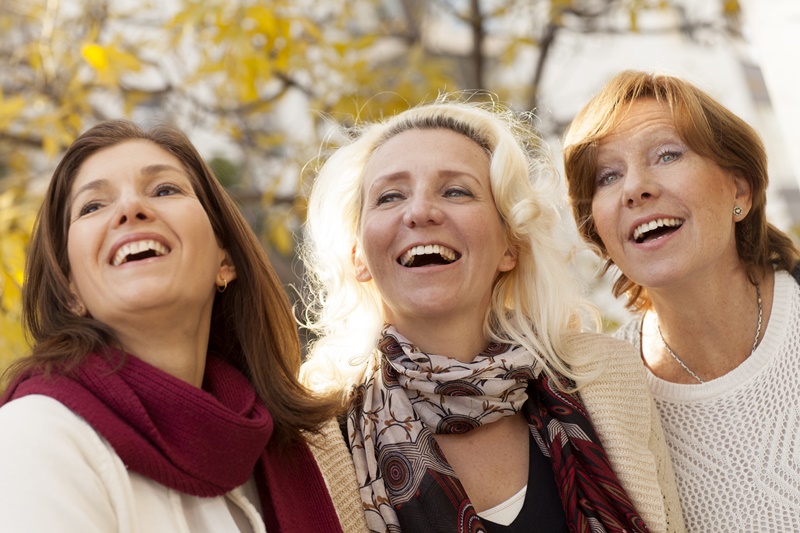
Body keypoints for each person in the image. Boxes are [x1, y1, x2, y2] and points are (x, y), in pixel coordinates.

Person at [299, 99, 685, 533]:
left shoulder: (609, 379)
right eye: (390, 196)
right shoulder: (314, 432)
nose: (421, 211)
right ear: (359, 257)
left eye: (456, 191)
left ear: (509, 246)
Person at [0, 120, 368, 532]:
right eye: (92, 206)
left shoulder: (299, 447)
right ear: (70, 290)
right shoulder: (37, 436)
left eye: (164, 190)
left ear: (223, 259)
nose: (130, 209)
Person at [562, 70, 800, 531]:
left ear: (740, 190)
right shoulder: (597, 398)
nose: (635, 188)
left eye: (667, 154)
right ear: (599, 231)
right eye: (608, 176)